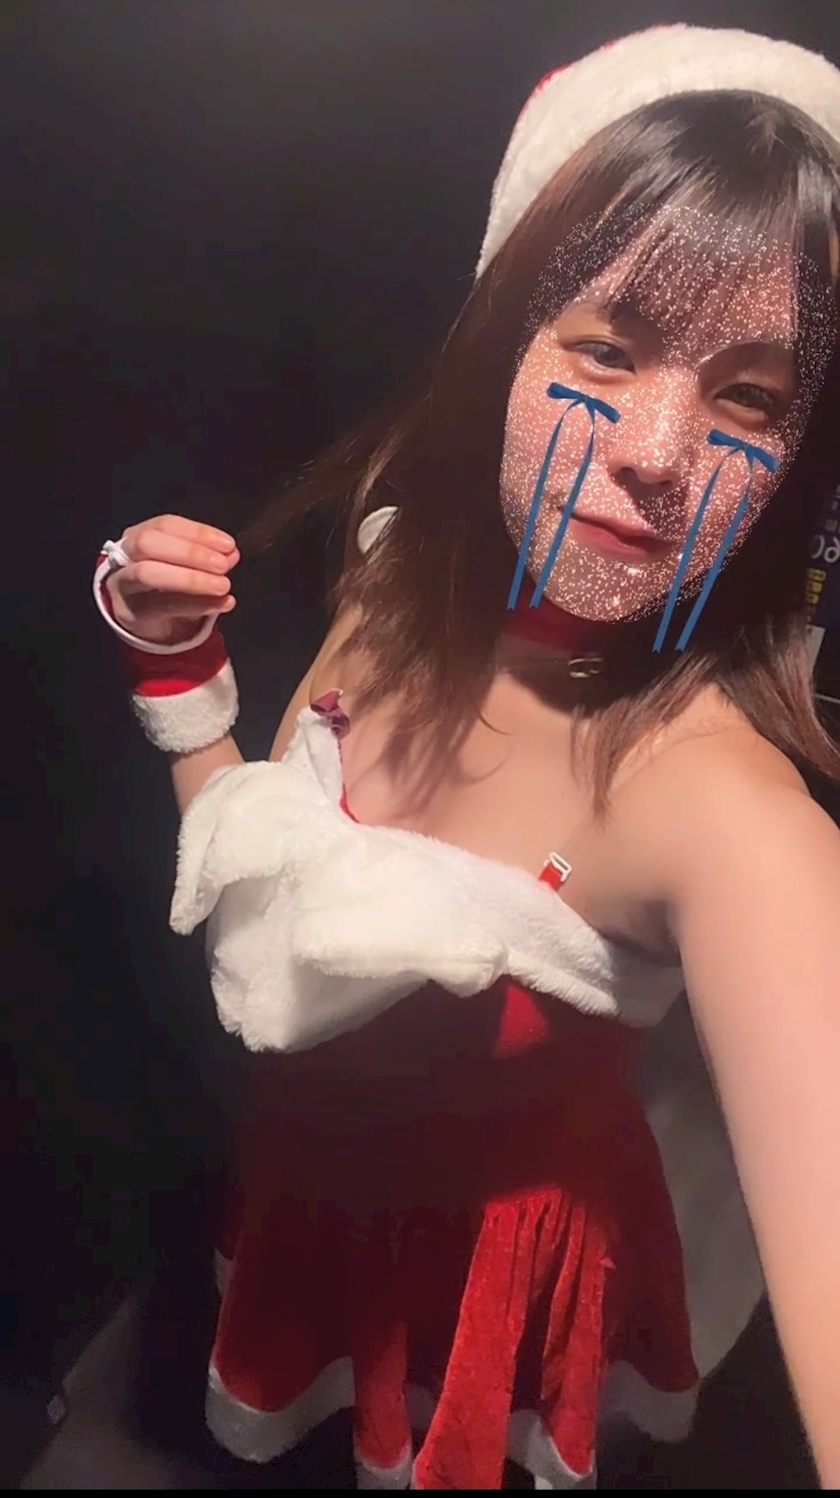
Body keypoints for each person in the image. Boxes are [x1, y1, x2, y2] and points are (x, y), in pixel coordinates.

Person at [93, 23, 840, 1491]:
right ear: (500, 334)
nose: (658, 451)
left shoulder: (724, 812)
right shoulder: (393, 559)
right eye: (608, 348)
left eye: (749, 398)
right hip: (305, 1189)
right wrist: (177, 677)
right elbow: (261, 898)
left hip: (495, 1277)